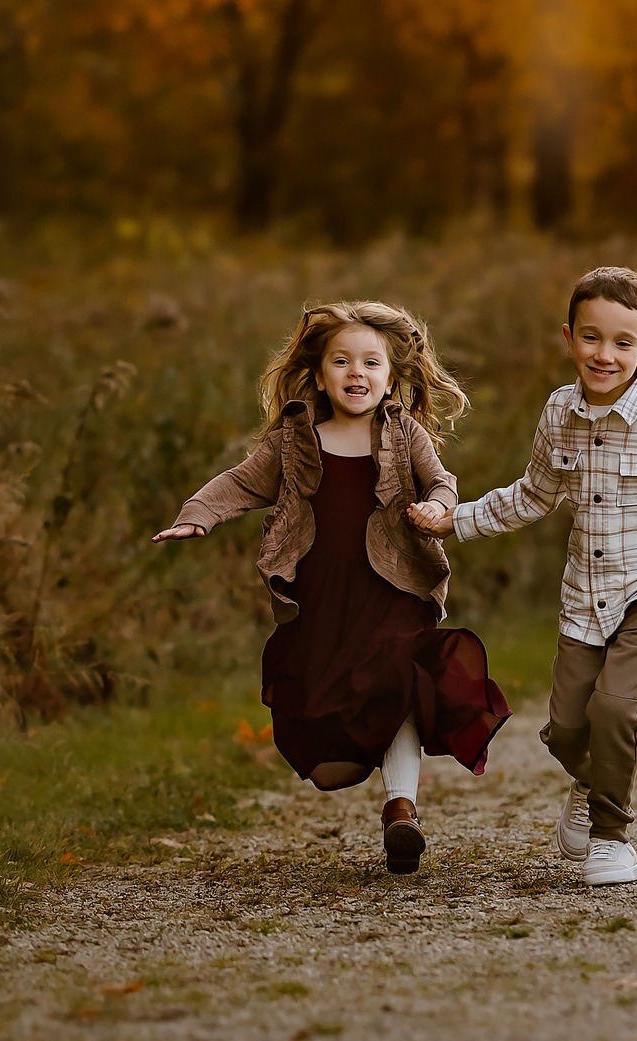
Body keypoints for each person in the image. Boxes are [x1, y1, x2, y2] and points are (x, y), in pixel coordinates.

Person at [410, 266, 637, 888]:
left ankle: (612, 838)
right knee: (566, 728)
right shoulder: (560, 412)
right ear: (568, 337)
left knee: (614, 706)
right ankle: (591, 778)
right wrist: (457, 520)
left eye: (621, 343)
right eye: (591, 338)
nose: (603, 355)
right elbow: (534, 494)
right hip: (587, 592)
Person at [154, 300, 510, 875]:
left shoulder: (403, 434)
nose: (356, 373)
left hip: (394, 589)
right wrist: (199, 514)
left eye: (371, 363)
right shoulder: (294, 440)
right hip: (322, 599)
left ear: (391, 377)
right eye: (341, 361)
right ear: (319, 375)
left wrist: (437, 508)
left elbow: (443, 482)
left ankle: (401, 811)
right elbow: (241, 484)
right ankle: (363, 759)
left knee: (400, 684)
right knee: (329, 761)